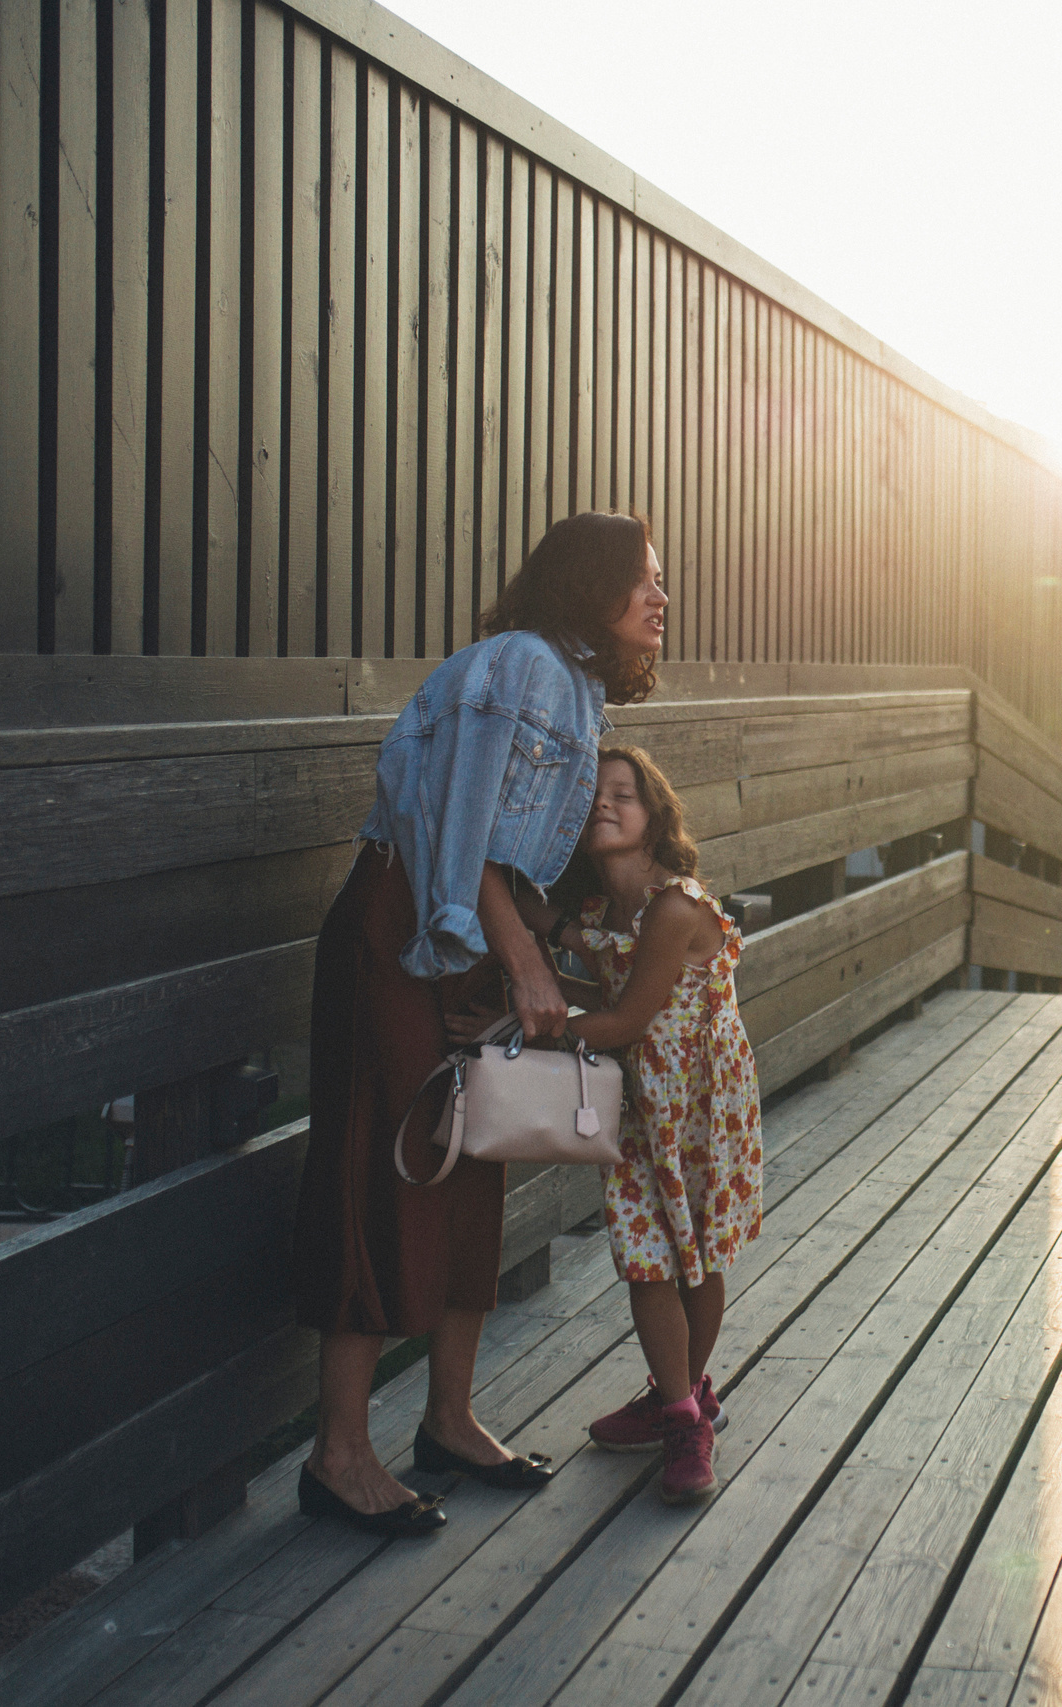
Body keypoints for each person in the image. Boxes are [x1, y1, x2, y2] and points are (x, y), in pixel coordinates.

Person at [294, 511, 664, 1537]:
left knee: (473, 1156)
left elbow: (504, 853)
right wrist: (523, 961)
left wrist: (541, 941)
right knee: (391, 1167)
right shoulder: (521, 668)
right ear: (590, 585)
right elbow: (453, 836)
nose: (661, 599)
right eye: (645, 579)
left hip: (456, 936)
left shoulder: (570, 687)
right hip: (399, 931)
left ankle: (448, 1419)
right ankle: (340, 1454)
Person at [517, 744, 764, 1506]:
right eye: (592, 793)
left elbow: (624, 1015)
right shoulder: (602, 914)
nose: (603, 802)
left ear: (655, 815)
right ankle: (685, 1403)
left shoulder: (676, 906)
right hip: (639, 1103)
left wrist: (524, 1021)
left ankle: (681, 1403)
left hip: (701, 1104)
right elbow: (593, 973)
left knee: (696, 1252)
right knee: (646, 1252)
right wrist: (532, 968)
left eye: (622, 793)